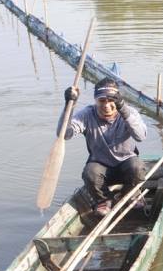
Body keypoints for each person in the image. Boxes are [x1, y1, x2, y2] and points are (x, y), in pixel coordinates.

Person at [62, 78, 148, 215]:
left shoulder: (129, 112)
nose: (106, 105)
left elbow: (141, 136)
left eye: (111, 100)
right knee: (90, 173)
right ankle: (103, 200)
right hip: (101, 168)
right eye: (102, 101)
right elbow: (65, 134)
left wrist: (123, 109)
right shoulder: (87, 114)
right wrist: (69, 106)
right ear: (96, 101)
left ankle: (129, 194)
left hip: (127, 166)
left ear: (117, 100)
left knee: (137, 168)